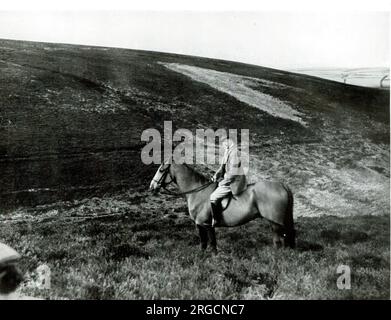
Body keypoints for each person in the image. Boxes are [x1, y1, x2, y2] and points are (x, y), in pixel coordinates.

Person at [210, 138, 247, 226]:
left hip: (234, 181)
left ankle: (216, 220)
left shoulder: (234, 153)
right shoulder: (228, 151)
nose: (223, 145)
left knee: (213, 197)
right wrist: (216, 176)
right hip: (228, 179)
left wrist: (222, 182)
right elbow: (222, 167)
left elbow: (232, 173)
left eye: (224, 143)